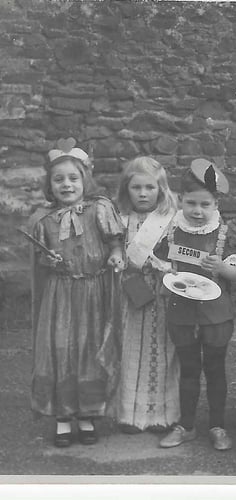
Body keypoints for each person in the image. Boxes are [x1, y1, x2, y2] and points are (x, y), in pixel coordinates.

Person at [30, 138, 125, 447]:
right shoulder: (44, 220)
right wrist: (48, 260)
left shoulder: (100, 208)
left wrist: (116, 255)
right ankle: (62, 417)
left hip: (93, 292)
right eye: (59, 179)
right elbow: (40, 260)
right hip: (61, 294)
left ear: (85, 179)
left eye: (73, 178)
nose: (66, 184)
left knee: (89, 351)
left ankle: (87, 416)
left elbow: (115, 241)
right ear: (50, 185)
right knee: (61, 351)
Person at [153, 160, 236, 451]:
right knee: (189, 368)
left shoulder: (225, 233)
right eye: (191, 203)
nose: (197, 211)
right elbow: (157, 262)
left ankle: (217, 425)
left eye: (205, 204)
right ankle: (187, 425)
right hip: (181, 310)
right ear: (180, 200)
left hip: (216, 313)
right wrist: (165, 270)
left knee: (215, 368)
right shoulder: (171, 230)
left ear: (216, 203)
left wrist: (222, 266)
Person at [114, 157, 179, 434]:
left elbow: (179, 256)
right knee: (129, 350)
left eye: (150, 187)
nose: (143, 193)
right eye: (136, 187)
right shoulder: (120, 219)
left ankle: (162, 414)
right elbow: (114, 250)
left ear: (161, 189)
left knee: (163, 350)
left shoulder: (171, 220)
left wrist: (163, 266)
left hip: (161, 291)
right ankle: (130, 414)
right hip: (130, 291)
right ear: (126, 189)